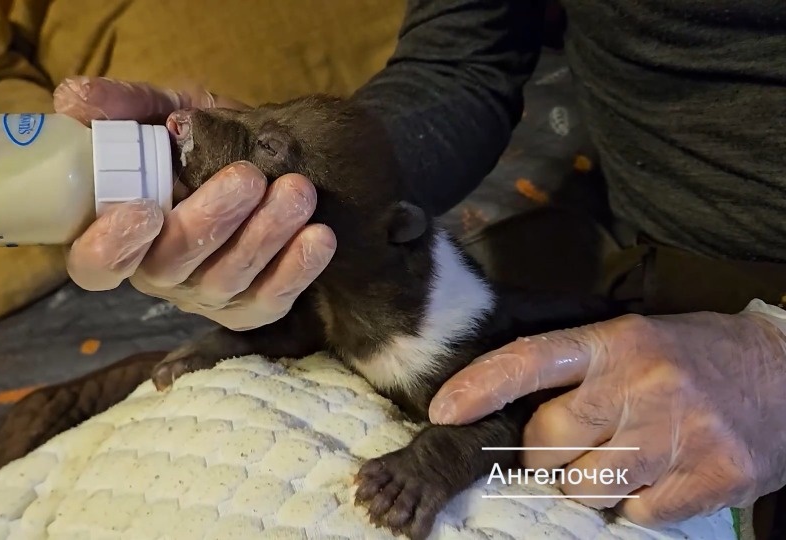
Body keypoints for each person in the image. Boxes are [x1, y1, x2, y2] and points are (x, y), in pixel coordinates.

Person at [52, 0, 786, 529]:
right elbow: (460, 59)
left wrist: (775, 362)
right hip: (643, 265)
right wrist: (303, 186)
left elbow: (493, 442)